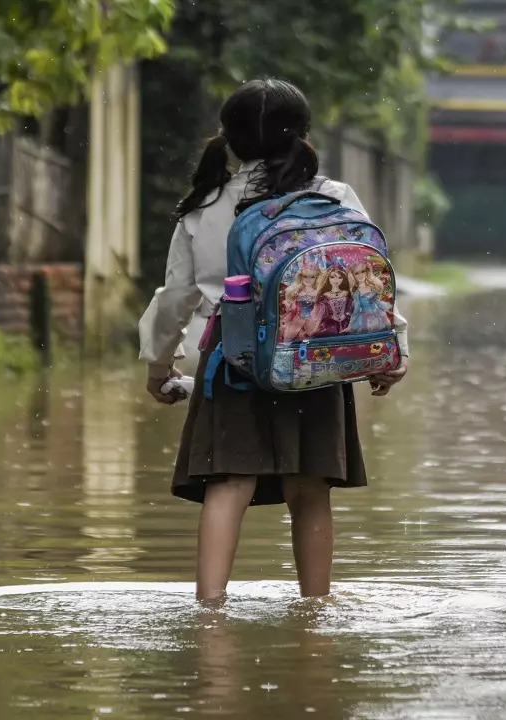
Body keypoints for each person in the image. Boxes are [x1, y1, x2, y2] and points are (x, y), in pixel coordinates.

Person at [138, 79, 410, 603]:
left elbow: (176, 299)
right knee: (310, 492)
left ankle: (209, 613)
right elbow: (368, 280)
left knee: (228, 484)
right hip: (317, 357)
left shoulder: (204, 207)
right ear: (302, 136)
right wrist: (392, 351)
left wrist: (160, 367)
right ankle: (316, 615)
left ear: (228, 138)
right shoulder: (335, 198)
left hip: (235, 361)